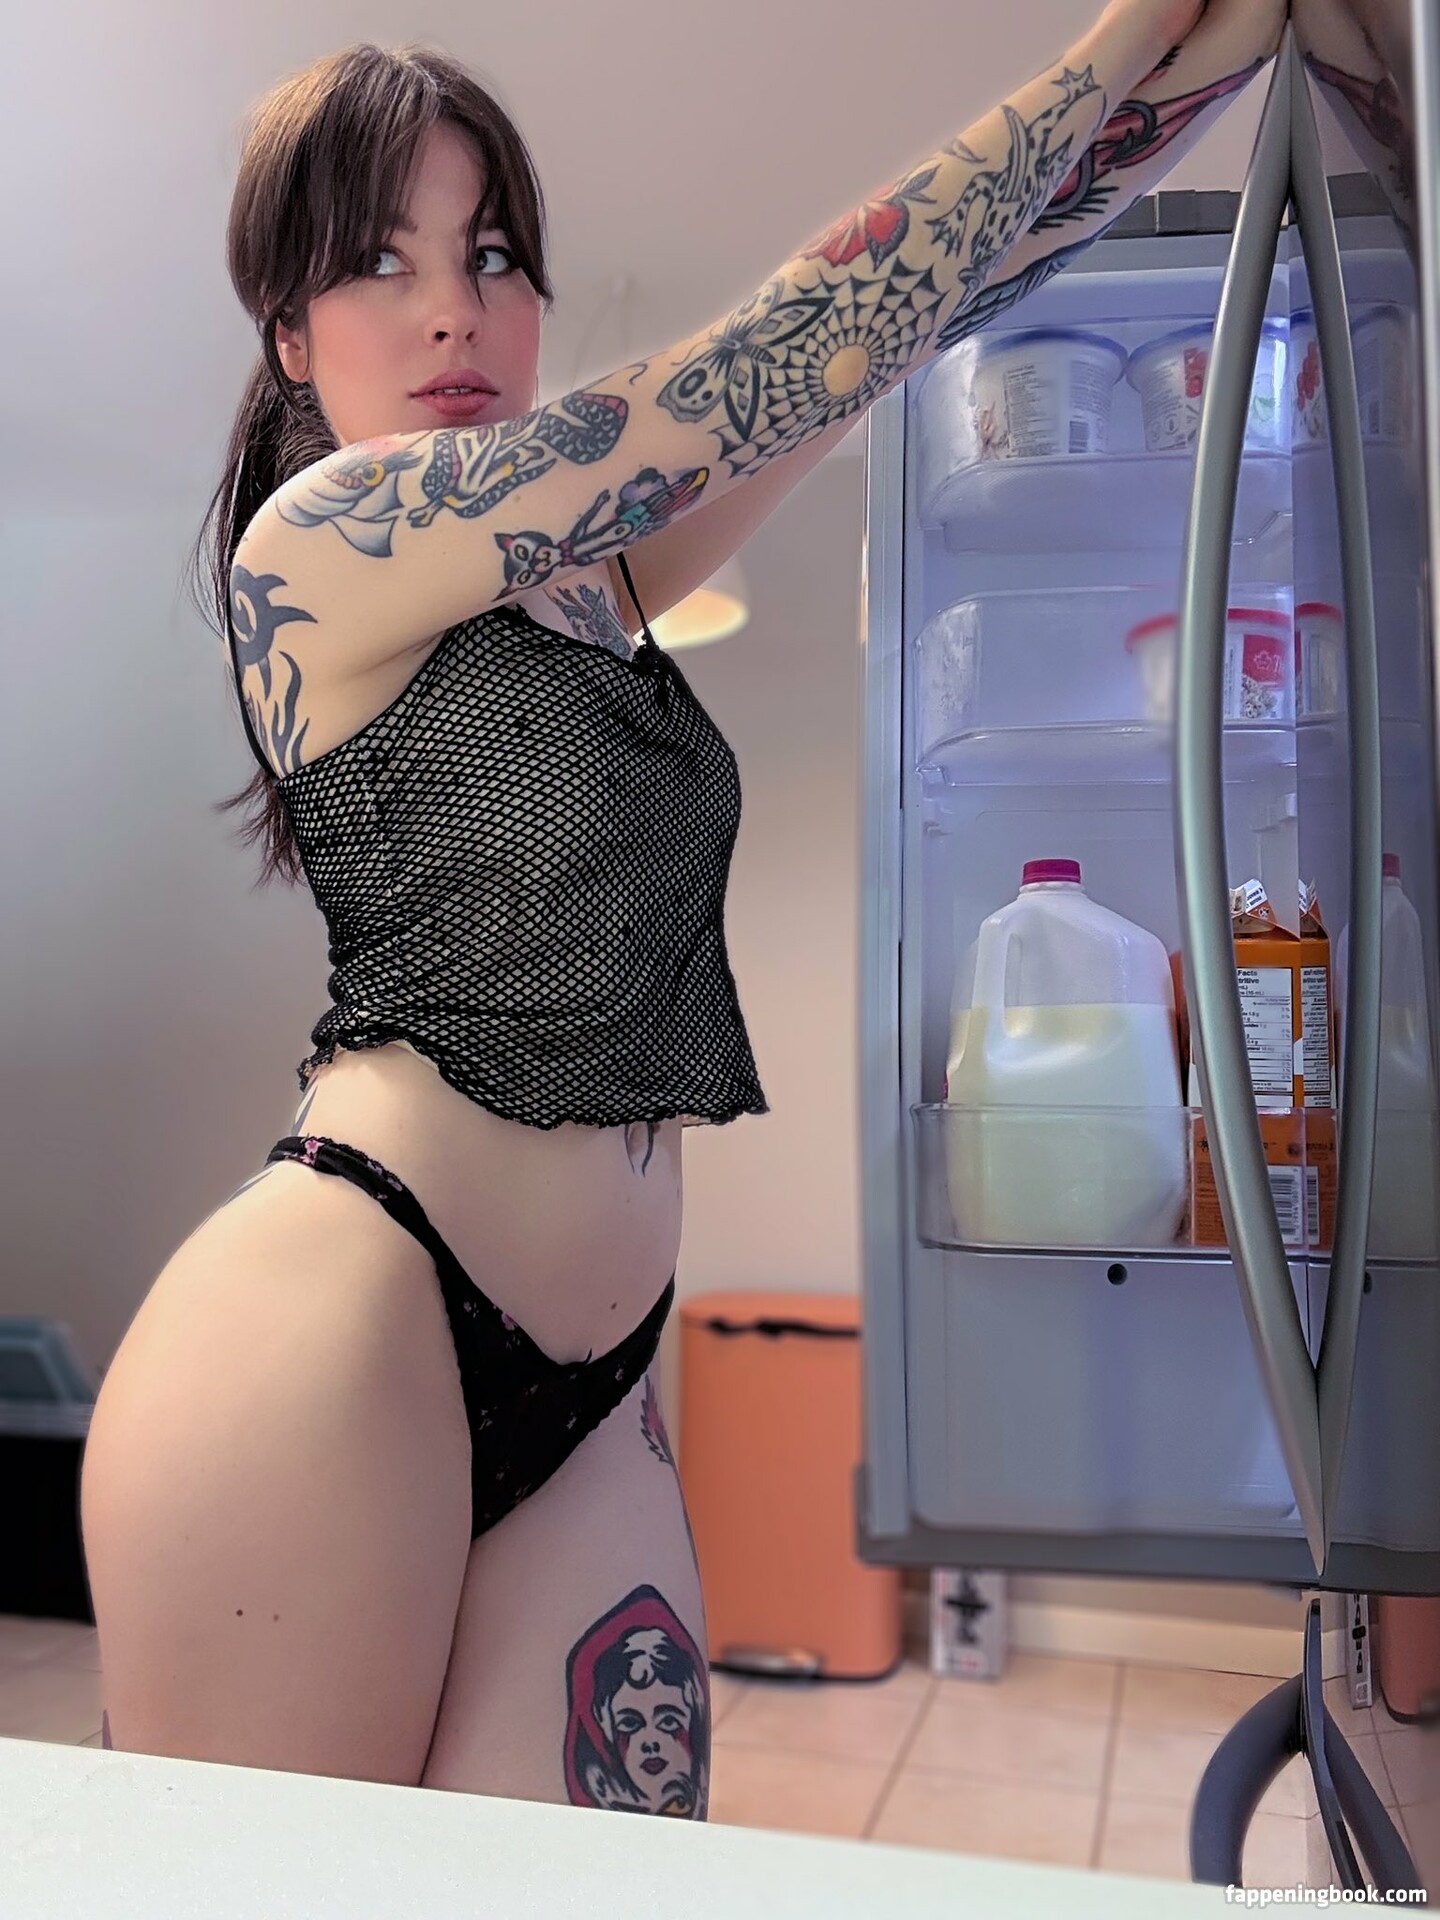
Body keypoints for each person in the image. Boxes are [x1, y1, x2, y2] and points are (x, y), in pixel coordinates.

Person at [80, 0, 1284, 1812]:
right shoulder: (313, 545)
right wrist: (1125, 36)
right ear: (289, 333)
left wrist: (1228, 58)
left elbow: (900, 329)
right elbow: (783, 348)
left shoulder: (591, 581)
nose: (453, 310)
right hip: (335, 1340)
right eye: (381, 262)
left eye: (493, 256)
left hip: (599, 1375)